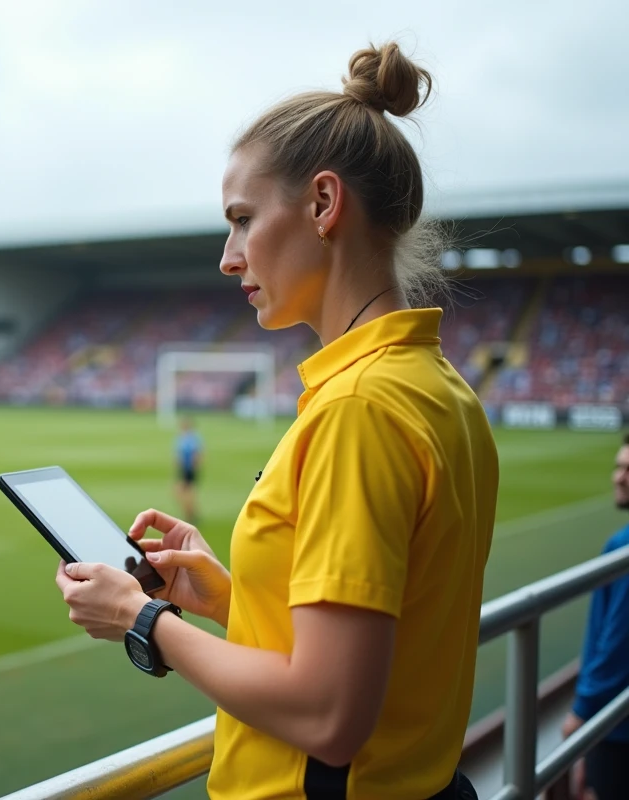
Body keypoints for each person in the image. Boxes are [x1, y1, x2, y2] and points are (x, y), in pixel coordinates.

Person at [55, 42, 498, 800]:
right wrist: (234, 599)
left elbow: (329, 714)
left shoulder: (358, 409)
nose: (229, 258)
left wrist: (143, 618)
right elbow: (382, 633)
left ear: (324, 204)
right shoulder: (435, 383)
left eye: (242, 220)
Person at [562, 433, 629, 800]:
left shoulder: (622, 547)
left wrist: (582, 712)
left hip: (616, 729)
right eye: (619, 467)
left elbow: (617, 641)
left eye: (628, 470)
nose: (617, 477)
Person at [174, 416, 203, 523]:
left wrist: (193, 467)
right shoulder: (182, 437)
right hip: (183, 469)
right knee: (184, 493)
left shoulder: (191, 438)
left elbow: (197, 454)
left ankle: (191, 515)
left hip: (188, 469)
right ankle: (192, 514)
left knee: (184, 492)